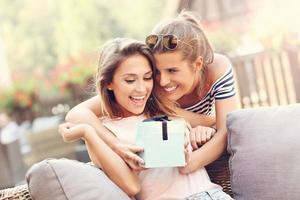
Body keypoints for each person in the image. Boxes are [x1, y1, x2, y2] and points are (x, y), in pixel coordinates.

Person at [59, 37, 233, 199]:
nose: (141, 89)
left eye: (148, 78)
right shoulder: (102, 133)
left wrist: (203, 132)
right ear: (109, 83)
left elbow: (218, 122)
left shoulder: (159, 109)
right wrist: (87, 132)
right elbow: (132, 187)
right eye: (130, 80)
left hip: (214, 194)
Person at [65, 10, 238, 173]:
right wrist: (114, 143)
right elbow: (76, 114)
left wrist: (189, 162)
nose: (161, 81)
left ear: (198, 65)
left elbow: (228, 127)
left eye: (172, 70)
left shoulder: (217, 69)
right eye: (156, 72)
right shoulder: (146, 88)